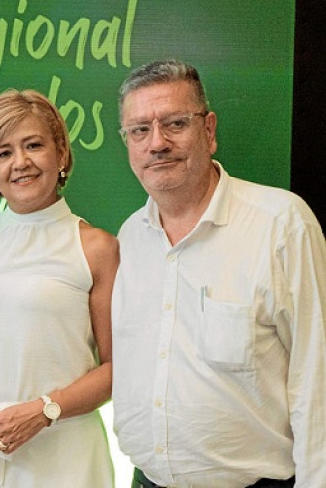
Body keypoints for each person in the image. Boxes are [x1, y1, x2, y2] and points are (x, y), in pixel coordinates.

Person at [112, 59, 326, 488]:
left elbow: (316, 376)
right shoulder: (131, 236)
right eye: (139, 130)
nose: (157, 143)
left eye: (174, 123)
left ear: (208, 131)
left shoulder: (282, 224)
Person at [0, 89, 118, 487]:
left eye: (34, 145)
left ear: (61, 154)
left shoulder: (96, 247)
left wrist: (44, 410)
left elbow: (117, 369)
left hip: (62, 453)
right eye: (3, 152)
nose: (21, 162)